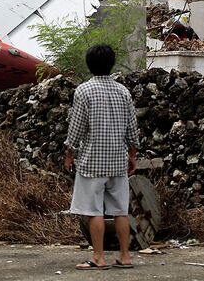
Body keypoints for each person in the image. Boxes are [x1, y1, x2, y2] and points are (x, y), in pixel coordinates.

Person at [64, 44, 139, 271]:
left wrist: (69, 153)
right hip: (117, 160)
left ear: (89, 64)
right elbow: (132, 128)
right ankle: (125, 256)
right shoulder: (123, 91)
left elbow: (76, 127)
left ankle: (99, 257)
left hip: (92, 161)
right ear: (111, 64)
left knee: (93, 211)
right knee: (120, 211)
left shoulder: (84, 91)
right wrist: (132, 154)